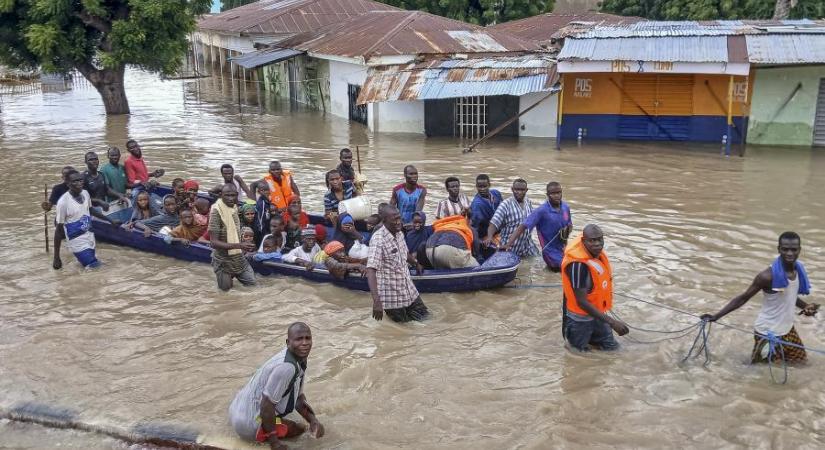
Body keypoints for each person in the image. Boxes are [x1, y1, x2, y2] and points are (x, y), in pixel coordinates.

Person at [701, 232, 819, 363]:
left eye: (794, 249)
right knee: (760, 372)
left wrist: (806, 306)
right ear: (778, 249)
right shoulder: (767, 276)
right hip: (768, 333)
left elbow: (788, 295)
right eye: (785, 249)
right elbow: (743, 298)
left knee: (801, 363)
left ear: (800, 250)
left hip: (788, 330)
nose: (790, 253)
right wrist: (716, 316)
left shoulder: (798, 269)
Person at [228, 322, 324, 449]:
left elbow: (298, 399)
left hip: (237, 410)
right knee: (299, 429)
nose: (305, 343)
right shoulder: (287, 367)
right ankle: (264, 436)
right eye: (299, 339)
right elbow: (266, 405)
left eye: (308, 338)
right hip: (248, 424)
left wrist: (313, 420)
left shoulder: (297, 358)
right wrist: (275, 443)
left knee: (303, 424)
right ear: (288, 342)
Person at [561, 224, 629, 352]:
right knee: (577, 355)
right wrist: (612, 322)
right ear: (583, 241)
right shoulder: (577, 266)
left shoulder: (595, 254)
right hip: (579, 320)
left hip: (598, 315)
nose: (597, 244)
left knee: (613, 349)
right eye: (592, 240)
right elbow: (581, 302)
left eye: (600, 239)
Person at [366, 205, 429, 322]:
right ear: (384, 221)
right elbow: (371, 270)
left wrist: (416, 263)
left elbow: (404, 253)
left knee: (427, 318)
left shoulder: (399, 233)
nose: (399, 222)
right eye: (394, 219)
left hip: (409, 289)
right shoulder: (378, 239)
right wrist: (376, 301)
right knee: (404, 330)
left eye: (399, 218)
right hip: (392, 298)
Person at [53, 170, 120, 269]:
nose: (79, 183)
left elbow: (91, 210)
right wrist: (56, 257)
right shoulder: (63, 202)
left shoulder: (85, 193)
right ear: (67, 184)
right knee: (95, 267)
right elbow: (58, 231)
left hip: (89, 235)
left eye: (80, 180)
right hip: (76, 240)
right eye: (75, 181)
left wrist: (110, 220)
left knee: (88, 267)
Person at [209, 184, 257, 291]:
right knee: (226, 293)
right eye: (227, 195)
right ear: (221, 195)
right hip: (223, 261)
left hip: (239, 259)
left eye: (233, 195)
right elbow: (213, 242)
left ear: (237, 196)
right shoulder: (216, 213)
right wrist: (240, 245)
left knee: (254, 287)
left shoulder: (234, 208)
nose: (231, 198)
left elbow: (253, 201)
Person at [487, 179, 539, 258]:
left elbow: (533, 221)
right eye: (517, 189)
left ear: (526, 190)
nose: (519, 192)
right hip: (509, 246)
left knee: (538, 261)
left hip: (527, 245)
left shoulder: (528, 202)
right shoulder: (505, 205)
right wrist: (490, 237)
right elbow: (494, 223)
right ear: (512, 189)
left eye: (522, 190)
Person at [469, 174, 502, 239]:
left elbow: (503, 209)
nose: (482, 189)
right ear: (476, 186)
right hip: (486, 231)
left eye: (485, 186)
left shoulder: (496, 193)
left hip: (498, 226)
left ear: (489, 185)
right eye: (480, 187)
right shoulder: (477, 204)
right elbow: (475, 225)